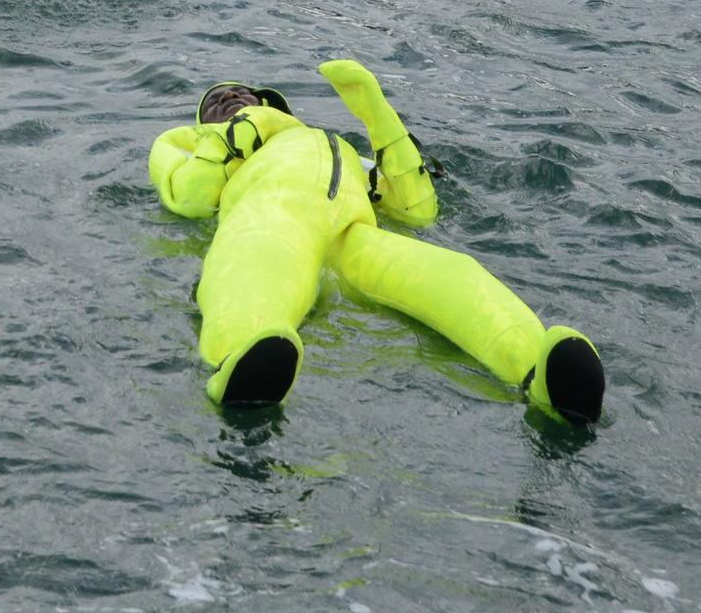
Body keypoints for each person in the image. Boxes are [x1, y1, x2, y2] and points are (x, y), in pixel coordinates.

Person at [147, 60, 604, 424]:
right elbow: (186, 196)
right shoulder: (189, 145)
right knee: (252, 266)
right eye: (216, 102)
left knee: (455, 276)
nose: (230, 98)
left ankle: (538, 372)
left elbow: (417, 210)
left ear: (277, 107)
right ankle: (239, 363)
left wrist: (376, 113)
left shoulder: (337, 147)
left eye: (243, 94)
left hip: (354, 236)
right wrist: (232, 135)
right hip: (271, 218)